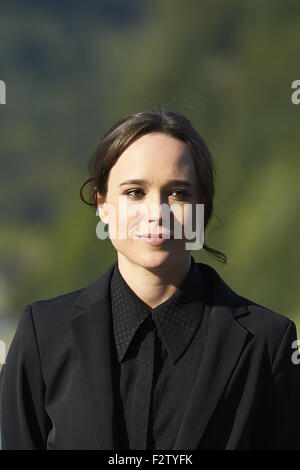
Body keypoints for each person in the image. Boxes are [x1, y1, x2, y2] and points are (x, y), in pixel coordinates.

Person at [0, 109, 300, 450]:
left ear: (203, 206)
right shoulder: (42, 335)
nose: (156, 211)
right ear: (102, 203)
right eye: (134, 192)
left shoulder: (268, 343)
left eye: (178, 193)